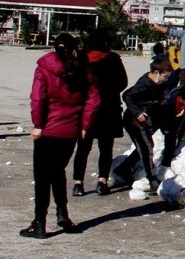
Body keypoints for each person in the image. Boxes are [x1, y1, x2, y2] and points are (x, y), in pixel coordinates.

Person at [21, 33, 100, 238]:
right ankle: (62, 213)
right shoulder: (83, 70)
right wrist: (84, 125)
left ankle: (39, 223)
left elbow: (37, 98)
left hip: (48, 129)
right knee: (58, 172)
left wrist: (38, 124)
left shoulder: (44, 69)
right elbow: (94, 100)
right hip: (70, 130)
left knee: (42, 177)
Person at [71, 30, 128, 196]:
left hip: (86, 108)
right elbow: (123, 82)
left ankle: (78, 183)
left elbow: (74, 83)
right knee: (106, 147)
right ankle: (102, 181)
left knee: (82, 148)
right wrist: (109, 92)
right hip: (109, 108)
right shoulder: (113, 59)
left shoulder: (81, 59)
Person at [113, 58, 174, 194]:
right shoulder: (144, 83)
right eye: (165, 76)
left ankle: (123, 169)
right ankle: (151, 179)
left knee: (145, 147)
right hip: (133, 120)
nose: (166, 79)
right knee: (146, 148)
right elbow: (127, 95)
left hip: (144, 120)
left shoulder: (157, 83)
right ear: (156, 72)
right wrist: (137, 112)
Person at [158, 84, 185, 169]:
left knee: (182, 127)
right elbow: (162, 116)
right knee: (170, 137)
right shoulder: (169, 100)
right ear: (181, 99)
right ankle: (166, 162)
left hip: (180, 116)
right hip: (168, 117)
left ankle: (177, 146)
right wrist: (165, 128)